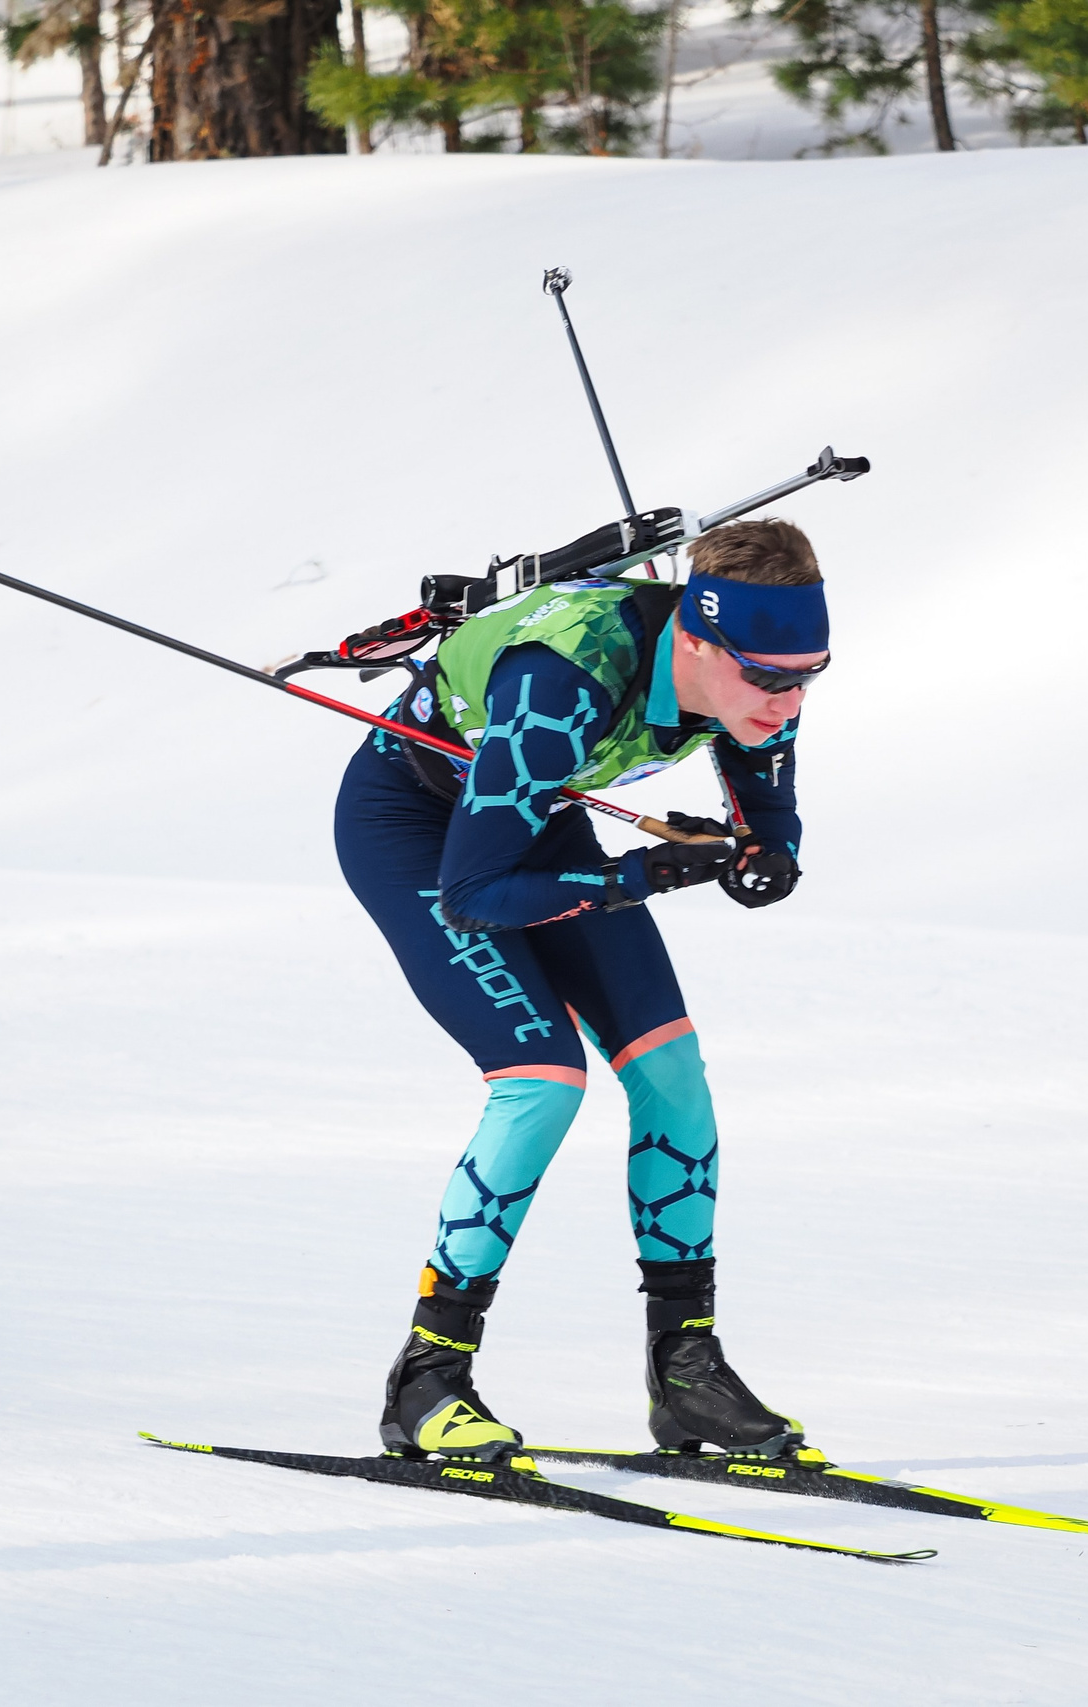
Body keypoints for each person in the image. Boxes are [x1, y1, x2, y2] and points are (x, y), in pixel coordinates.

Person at [331, 517, 831, 1462]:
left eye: (811, 674)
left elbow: (767, 807)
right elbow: (476, 893)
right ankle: (428, 1376)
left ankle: (686, 1372)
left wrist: (768, 854)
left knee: (673, 1072)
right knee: (543, 1079)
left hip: (534, 814)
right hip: (417, 829)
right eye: (768, 677)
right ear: (695, 639)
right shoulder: (562, 681)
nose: (789, 699)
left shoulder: (757, 679)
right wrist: (642, 874)